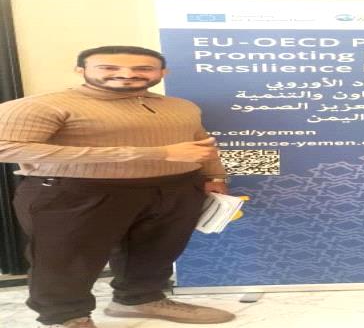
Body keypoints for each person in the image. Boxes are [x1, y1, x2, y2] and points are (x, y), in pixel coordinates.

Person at [0, 46, 235, 328]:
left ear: (162, 73)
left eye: (143, 68)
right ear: (81, 70)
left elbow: (202, 144)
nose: (127, 74)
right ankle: (66, 317)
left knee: (156, 251)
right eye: (109, 68)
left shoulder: (181, 106)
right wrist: (154, 154)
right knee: (68, 259)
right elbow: (6, 148)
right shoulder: (42, 106)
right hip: (77, 192)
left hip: (174, 189)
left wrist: (215, 177)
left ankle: (139, 300)